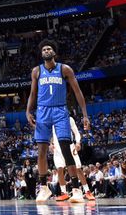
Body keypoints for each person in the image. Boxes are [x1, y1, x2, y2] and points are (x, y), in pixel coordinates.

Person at [26, 39, 90, 202]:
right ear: (41, 54)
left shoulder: (65, 69)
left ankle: (76, 190)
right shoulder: (36, 71)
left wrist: (85, 115)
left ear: (54, 52)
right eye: (44, 49)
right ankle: (44, 188)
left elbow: (77, 92)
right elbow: (33, 94)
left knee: (65, 148)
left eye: (49, 48)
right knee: (41, 150)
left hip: (60, 110)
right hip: (42, 111)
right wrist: (28, 111)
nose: (46, 51)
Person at [50, 116, 94, 201]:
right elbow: (52, 134)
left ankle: (87, 191)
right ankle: (64, 193)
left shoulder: (69, 119)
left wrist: (77, 142)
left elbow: (76, 133)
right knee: (59, 169)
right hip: (57, 149)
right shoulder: (52, 120)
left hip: (69, 147)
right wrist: (51, 143)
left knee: (78, 169)